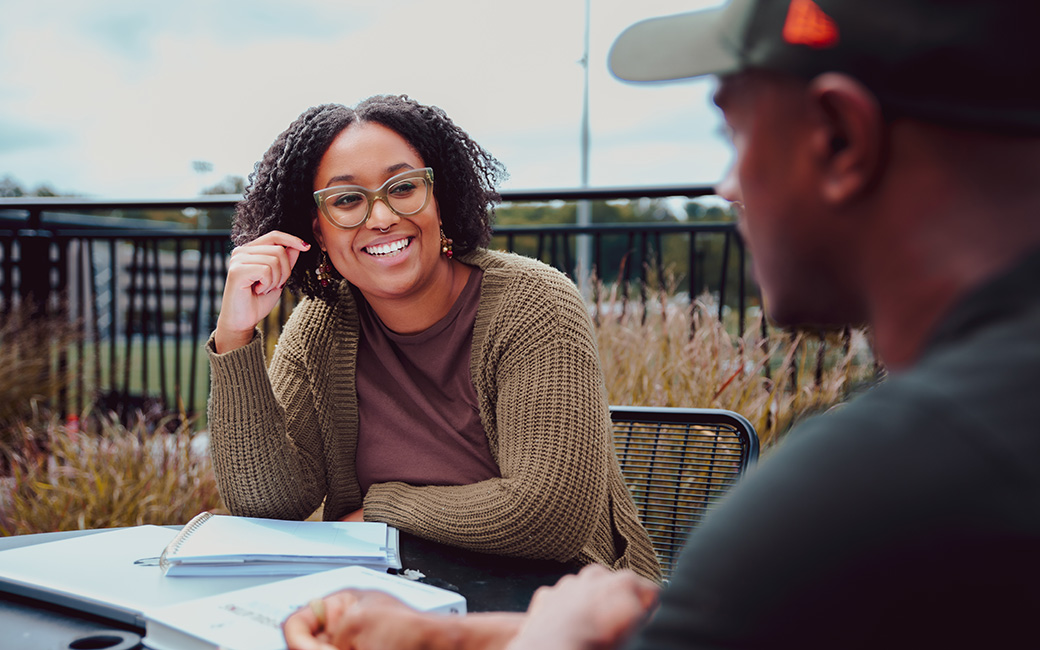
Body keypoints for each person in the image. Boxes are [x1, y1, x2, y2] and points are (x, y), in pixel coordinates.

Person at [282, 1, 1040, 648]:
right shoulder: (980, 447)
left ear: (841, 139)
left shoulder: (862, 497)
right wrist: (445, 635)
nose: (729, 187)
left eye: (734, 135)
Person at [206, 94, 661, 582]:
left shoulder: (534, 304)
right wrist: (236, 336)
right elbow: (270, 505)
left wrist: (380, 508)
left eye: (402, 188)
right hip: (397, 598)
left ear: (438, 197)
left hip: (562, 602)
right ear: (317, 231)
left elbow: (550, 516)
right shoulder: (321, 328)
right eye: (346, 200)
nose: (380, 217)